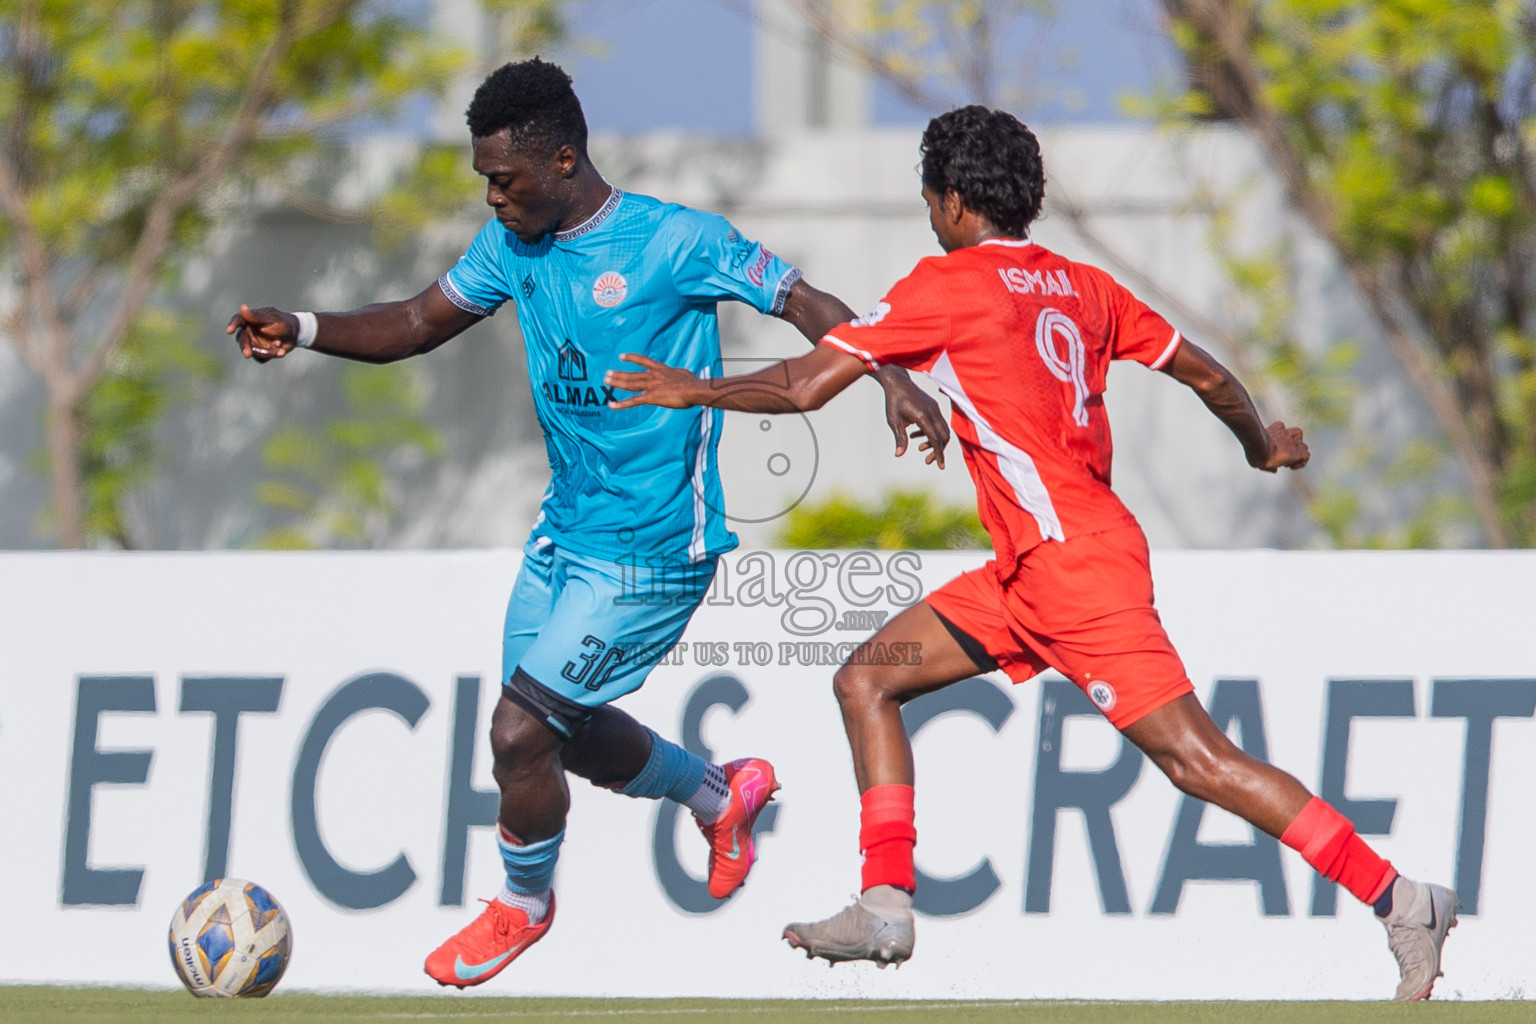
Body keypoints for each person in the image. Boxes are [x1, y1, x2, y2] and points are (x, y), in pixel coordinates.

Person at [604, 105, 1459, 1002]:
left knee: (1197, 761)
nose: (930, 216)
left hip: (1074, 573)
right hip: (1030, 572)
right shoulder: (1081, 287)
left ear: (955, 202)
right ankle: (886, 903)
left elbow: (805, 383)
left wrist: (693, 388)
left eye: (931, 199)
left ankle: (1400, 899)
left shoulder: (945, 285)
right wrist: (1260, 445)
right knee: (868, 678)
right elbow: (1204, 372)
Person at [226, 58, 947, 989]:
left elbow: (808, 305)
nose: (492, 197)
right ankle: (718, 795)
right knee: (551, 733)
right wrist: (305, 325)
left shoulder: (676, 241)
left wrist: (891, 377)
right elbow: (413, 321)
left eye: (504, 179)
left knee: (521, 733)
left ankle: (523, 906)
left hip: (654, 550)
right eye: (485, 179)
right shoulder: (511, 248)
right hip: (563, 537)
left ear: (563, 158)